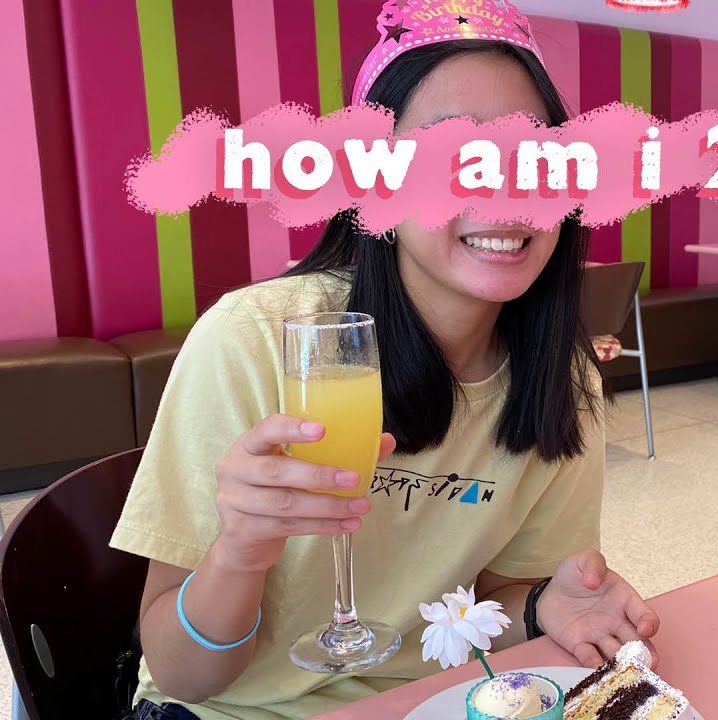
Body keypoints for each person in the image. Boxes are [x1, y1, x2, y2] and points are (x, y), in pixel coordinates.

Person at [111, 2, 657, 718]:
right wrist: (238, 555)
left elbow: (493, 595)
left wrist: (542, 606)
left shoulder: (561, 377)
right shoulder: (256, 341)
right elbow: (181, 674)